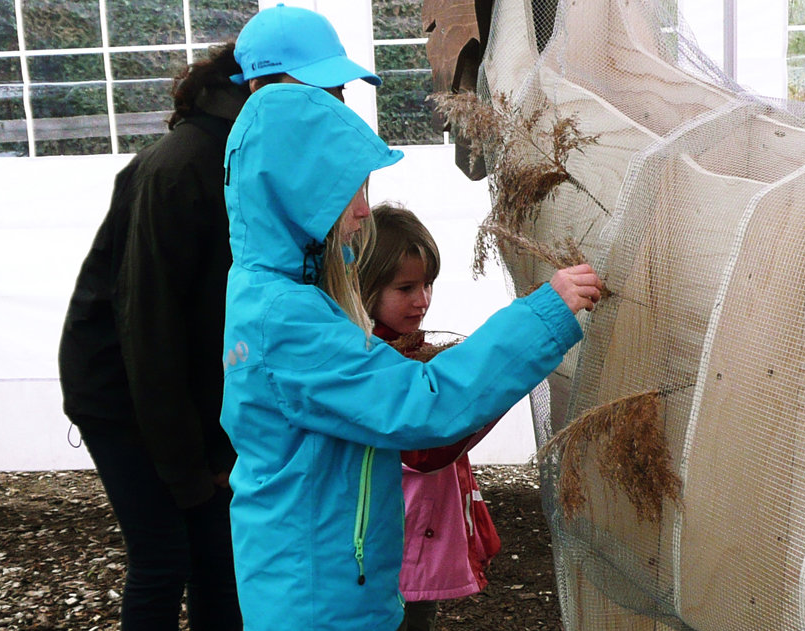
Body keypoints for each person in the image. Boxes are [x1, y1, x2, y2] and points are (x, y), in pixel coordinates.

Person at [220, 23, 603, 631]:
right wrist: (544, 315)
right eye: (348, 191)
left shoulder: (274, 291)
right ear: (300, 193)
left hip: (319, 583)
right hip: (323, 605)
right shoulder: (286, 319)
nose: (365, 209)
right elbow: (425, 406)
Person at [58, 42, 249, 631]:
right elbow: (151, 330)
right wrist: (193, 468)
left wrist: (216, 449)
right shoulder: (184, 165)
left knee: (217, 553)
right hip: (124, 393)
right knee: (165, 556)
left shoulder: (234, 155)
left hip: (174, 387)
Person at [358, 203, 503, 631]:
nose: (422, 301)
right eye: (406, 288)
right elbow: (425, 450)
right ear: (366, 287)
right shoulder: (374, 364)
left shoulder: (409, 350)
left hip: (417, 542)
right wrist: (488, 390)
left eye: (428, 285)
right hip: (398, 549)